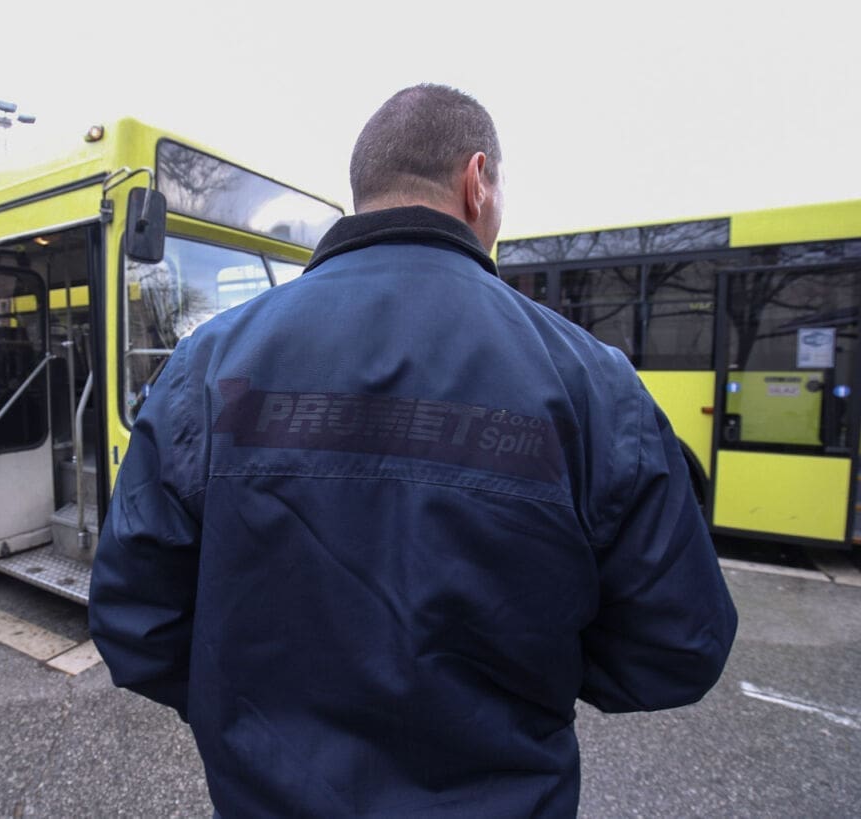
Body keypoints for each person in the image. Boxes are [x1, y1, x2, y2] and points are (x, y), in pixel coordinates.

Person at [89, 84, 737, 817]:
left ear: (364, 190)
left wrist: (253, 716)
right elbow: (682, 645)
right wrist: (528, 672)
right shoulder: (592, 384)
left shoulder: (206, 367)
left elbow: (134, 620)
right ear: (477, 180)